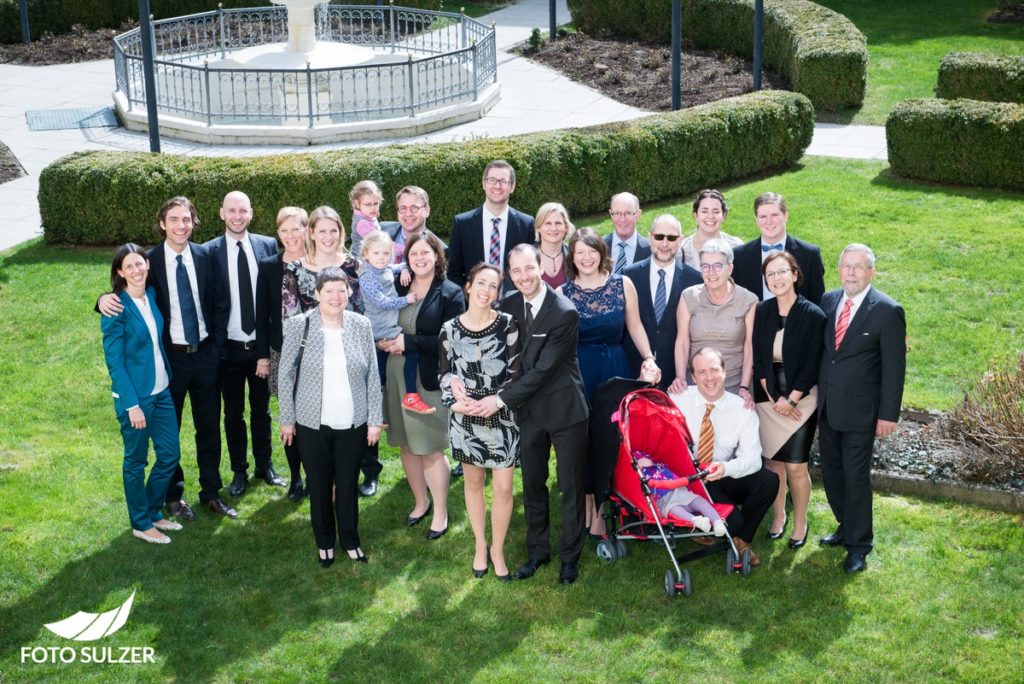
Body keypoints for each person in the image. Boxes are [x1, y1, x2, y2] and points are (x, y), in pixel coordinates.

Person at [98, 197, 233, 520]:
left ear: (194, 222)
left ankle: (211, 492)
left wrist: (215, 348)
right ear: (162, 224)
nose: (181, 225)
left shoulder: (206, 255)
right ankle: (173, 497)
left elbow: (220, 302)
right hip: (169, 361)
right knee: (168, 435)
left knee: (209, 427)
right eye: (174, 219)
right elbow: (127, 291)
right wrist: (102, 299)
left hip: (204, 356)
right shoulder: (150, 261)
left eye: (186, 219)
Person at [486, 244, 590, 585]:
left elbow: (543, 370)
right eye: (516, 271)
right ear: (509, 275)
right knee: (532, 483)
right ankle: (537, 552)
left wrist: (500, 400)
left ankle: (569, 558)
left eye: (529, 268)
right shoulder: (508, 306)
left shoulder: (564, 311)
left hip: (564, 409)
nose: (524, 276)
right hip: (528, 412)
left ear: (541, 266)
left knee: (570, 486)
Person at [278, 268, 384, 567]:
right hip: (311, 422)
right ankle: (324, 542)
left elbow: (373, 376)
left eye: (341, 290)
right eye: (329, 291)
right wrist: (287, 418)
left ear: (349, 293)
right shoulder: (300, 325)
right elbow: (285, 375)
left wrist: (375, 419)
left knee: (348, 484)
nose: (336, 297)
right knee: (320, 485)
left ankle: (350, 540)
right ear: (317, 294)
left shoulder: (361, 325)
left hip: (353, 421)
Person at [560, 227, 659, 538]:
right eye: (580, 253)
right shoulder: (562, 294)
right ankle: (590, 506)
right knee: (585, 440)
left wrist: (649, 358)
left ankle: (611, 506)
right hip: (580, 374)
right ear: (572, 258)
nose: (587, 257)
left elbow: (636, 326)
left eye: (592, 250)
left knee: (614, 438)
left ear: (601, 253)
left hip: (615, 369)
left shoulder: (622, 284)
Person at [818, 244, 906, 574]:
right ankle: (846, 525)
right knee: (832, 472)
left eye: (858, 267)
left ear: (871, 272)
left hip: (861, 412)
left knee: (855, 477)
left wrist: (888, 415)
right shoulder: (828, 301)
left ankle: (859, 545)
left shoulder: (887, 310)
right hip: (827, 408)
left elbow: (894, 369)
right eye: (846, 266)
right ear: (839, 270)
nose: (851, 273)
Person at [286, 206, 383, 495]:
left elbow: (366, 306)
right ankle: (314, 479)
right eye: (322, 230)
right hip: (312, 358)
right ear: (311, 233)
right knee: (313, 421)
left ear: (341, 232)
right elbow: (289, 314)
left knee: (359, 407)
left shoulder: (354, 264)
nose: (328, 236)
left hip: (352, 351)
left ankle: (365, 471)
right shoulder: (295, 268)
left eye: (334, 230)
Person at [439, 263, 523, 581]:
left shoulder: (507, 325)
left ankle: (498, 550)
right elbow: (443, 373)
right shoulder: (449, 329)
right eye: (481, 284)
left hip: (501, 415)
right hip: (466, 418)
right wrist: (455, 397)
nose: (486, 291)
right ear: (468, 287)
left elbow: (517, 373)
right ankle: (479, 545)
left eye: (493, 286)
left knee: (502, 488)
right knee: (473, 484)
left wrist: (494, 401)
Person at [378, 232, 463, 538]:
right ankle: (420, 502)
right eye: (414, 254)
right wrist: (384, 340)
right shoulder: (397, 286)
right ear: (407, 258)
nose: (420, 259)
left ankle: (440, 511)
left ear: (437, 256)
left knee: (428, 448)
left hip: (427, 380)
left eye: (426, 253)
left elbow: (452, 340)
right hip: (396, 375)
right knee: (405, 444)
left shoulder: (450, 293)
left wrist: (408, 342)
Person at [204, 191, 286, 499]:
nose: (238, 216)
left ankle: (265, 465)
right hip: (228, 349)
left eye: (243, 211)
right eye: (232, 211)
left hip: (260, 347)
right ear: (221, 213)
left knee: (261, 410)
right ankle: (239, 469)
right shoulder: (209, 251)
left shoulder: (266, 245)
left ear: (251, 213)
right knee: (233, 413)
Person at [101, 244, 182, 544]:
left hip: (161, 390)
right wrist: (131, 404)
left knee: (170, 454)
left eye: (141, 264)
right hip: (135, 398)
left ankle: (151, 511)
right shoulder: (114, 309)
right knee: (136, 461)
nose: (137, 270)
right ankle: (140, 522)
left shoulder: (151, 295)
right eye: (130, 266)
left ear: (147, 265)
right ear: (120, 272)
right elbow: (116, 363)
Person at [670, 347, 779, 566]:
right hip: (688, 480)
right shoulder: (677, 399)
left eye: (714, 370)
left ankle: (742, 539)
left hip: (719, 473)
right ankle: (719, 529)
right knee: (734, 521)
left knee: (769, 480)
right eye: (701, 372)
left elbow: (753, 459)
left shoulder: (742, 408)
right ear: (693, 377)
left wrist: (725, 468)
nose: (709, 378)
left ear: (725, 372)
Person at [752, 251, 826, 549]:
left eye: (782, 272)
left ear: (795, 275)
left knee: (796, 465)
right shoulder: (762, 311)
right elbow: (759, 358)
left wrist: (792, 400)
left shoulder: (813, 315)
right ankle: (779, 515)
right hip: (768, 398)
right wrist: (774, 399)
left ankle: (800, 521)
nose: (777, 278)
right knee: (773, 465)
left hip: (802, 398)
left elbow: (812, 364)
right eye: (771, 274)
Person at [255, 206, 309, 501]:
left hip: (316, 353)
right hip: (282, 352)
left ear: (306, 229)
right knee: (289, 416)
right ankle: (296, 479)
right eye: (284, 230)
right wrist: (263, 356)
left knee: (313, 418)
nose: (290, 235)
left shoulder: (316, 263)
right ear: (278, 234)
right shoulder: (269, 266)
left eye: (296, 228)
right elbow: (261, 315)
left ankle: (316, 475)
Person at [670, 239, 757, 405]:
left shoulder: (748, 300)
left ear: (730, 268)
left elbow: (749, 346)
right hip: (695, 384)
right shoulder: (688, 296)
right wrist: (680, 378)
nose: (711, 272)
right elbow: (682, 341)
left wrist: (744, 387)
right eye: (705, 266)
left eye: (718, 266)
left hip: (734, 385)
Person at [622, 214, 702, 390]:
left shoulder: (695, 280)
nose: (665, 243)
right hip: (634, 368)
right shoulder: (629, 275)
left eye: (671, 238)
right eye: (659, 236)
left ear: (680, 240)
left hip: (675, 376)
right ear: (650, 237)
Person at [358, 230, 432, 414]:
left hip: (387, 324)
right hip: (380, 325)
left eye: (386, 253)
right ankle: (411, 396)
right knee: (411, 351)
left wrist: (406, 268)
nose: (382, 258)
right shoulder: (368, 277)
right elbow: (381, 302)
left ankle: (375, 410)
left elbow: (399, 267)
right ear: (366, 254)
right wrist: (405, 300)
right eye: (376, 253)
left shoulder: (384, 268)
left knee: (380, 371)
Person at [447, 159, 534, 289]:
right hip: (473, 304)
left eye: (503, 181)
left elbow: (531, 268)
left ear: (512, 187)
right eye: (492, 180)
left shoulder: (526, 224)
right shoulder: (462, 224)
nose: (497, 186)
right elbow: (453, 273)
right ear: (483, 183)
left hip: (514, 304)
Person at [731, 192, 825, 306]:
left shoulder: (810, 255)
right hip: (755, 322)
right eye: (763, 217)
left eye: (774, 215)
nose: (769, 221)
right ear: (756, 220)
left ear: (785, 216)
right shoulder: (740, 256)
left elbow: (818, 302)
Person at [633, 451, 727, 535]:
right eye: (640, 460)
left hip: (681, 492)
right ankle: (697, 521)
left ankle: (717, 522)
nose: (645, 461)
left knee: (700, 501)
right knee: (675, 510)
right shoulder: (642, 478)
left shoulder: (660, 467)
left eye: (644, 458)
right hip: (666, 501)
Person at [680, 189, 743, 270]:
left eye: (716, 212)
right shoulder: (682, 250)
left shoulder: (736, 246)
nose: (710, 216)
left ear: (724, 215)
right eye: (704, 211)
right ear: (695, 215)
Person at [604, 192, 651, 274]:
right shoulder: (599, 247)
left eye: (628, 213)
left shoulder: (651, 250)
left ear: (638, 215)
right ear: (611, 215)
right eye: (617, 213)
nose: (622, 219)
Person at [533, 201, 572, 289]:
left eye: (558, 223)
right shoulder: (526, 256)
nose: (553, 228)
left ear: (565, 227)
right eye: (548, 223)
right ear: (538, 227)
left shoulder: (574, 255)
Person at [349, 179, 384, 258]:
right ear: (357, 204)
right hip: (362, 263)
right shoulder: (362, 224)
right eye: (368, 204)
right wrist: (402, 248)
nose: (373, 208)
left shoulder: (367, 215)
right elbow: (380, 242)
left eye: (376, 203)